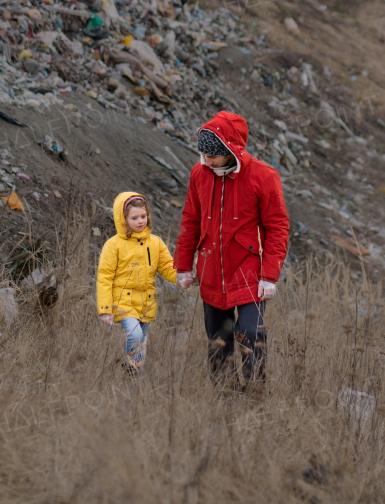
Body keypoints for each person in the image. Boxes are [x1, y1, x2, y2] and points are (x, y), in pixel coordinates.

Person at [174, 111, 290, 384]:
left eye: (212, 156)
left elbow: (278, 227)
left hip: (249, 274)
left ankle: (255, 393)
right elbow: (190, 220)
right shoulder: (199, 174)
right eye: (203, 155)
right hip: (211, 271)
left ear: (231, 149)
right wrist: (183, 266)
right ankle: (224, 400)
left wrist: (270, 275)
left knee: (251, 335)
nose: (206, 161)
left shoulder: (264, 176)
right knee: (218, 342)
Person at [96, 191, 178, 371]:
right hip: (123, 301)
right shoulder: (114, 244)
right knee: (135, 336)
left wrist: (184, 276)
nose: (141, 221)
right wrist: (105, 309)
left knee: (142, 342)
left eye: (144, 216)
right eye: (134, 218)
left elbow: (166, 266)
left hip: (146, 301)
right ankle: (130, 366)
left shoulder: (155, 242)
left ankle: (133, 375)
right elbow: (104, 277)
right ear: (123, 219)